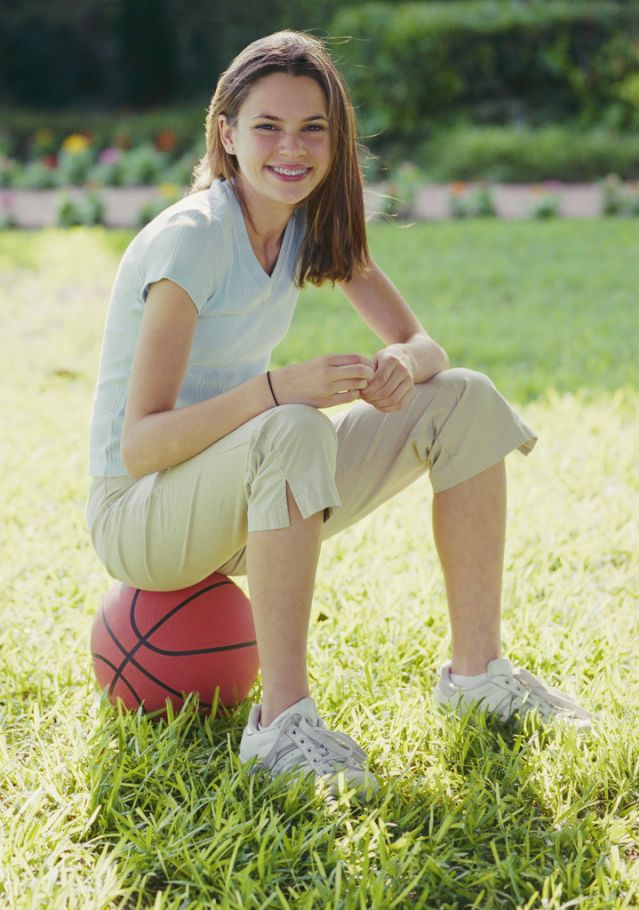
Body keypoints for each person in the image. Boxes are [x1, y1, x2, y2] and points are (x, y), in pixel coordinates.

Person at [87, 30, 591, 796]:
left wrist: (401, 366)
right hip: (144, 517)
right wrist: (279, 389)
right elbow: (141, 446)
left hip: (246, 497)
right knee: (291, 425)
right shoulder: (193, 242)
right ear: (226, 133)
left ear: (334, 138)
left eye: (312, 128)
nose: (292, 148)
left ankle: (478, 675)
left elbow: (426, 345)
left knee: (465, 398)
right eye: (267, 127)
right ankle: (282, 726)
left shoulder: (308, 223)